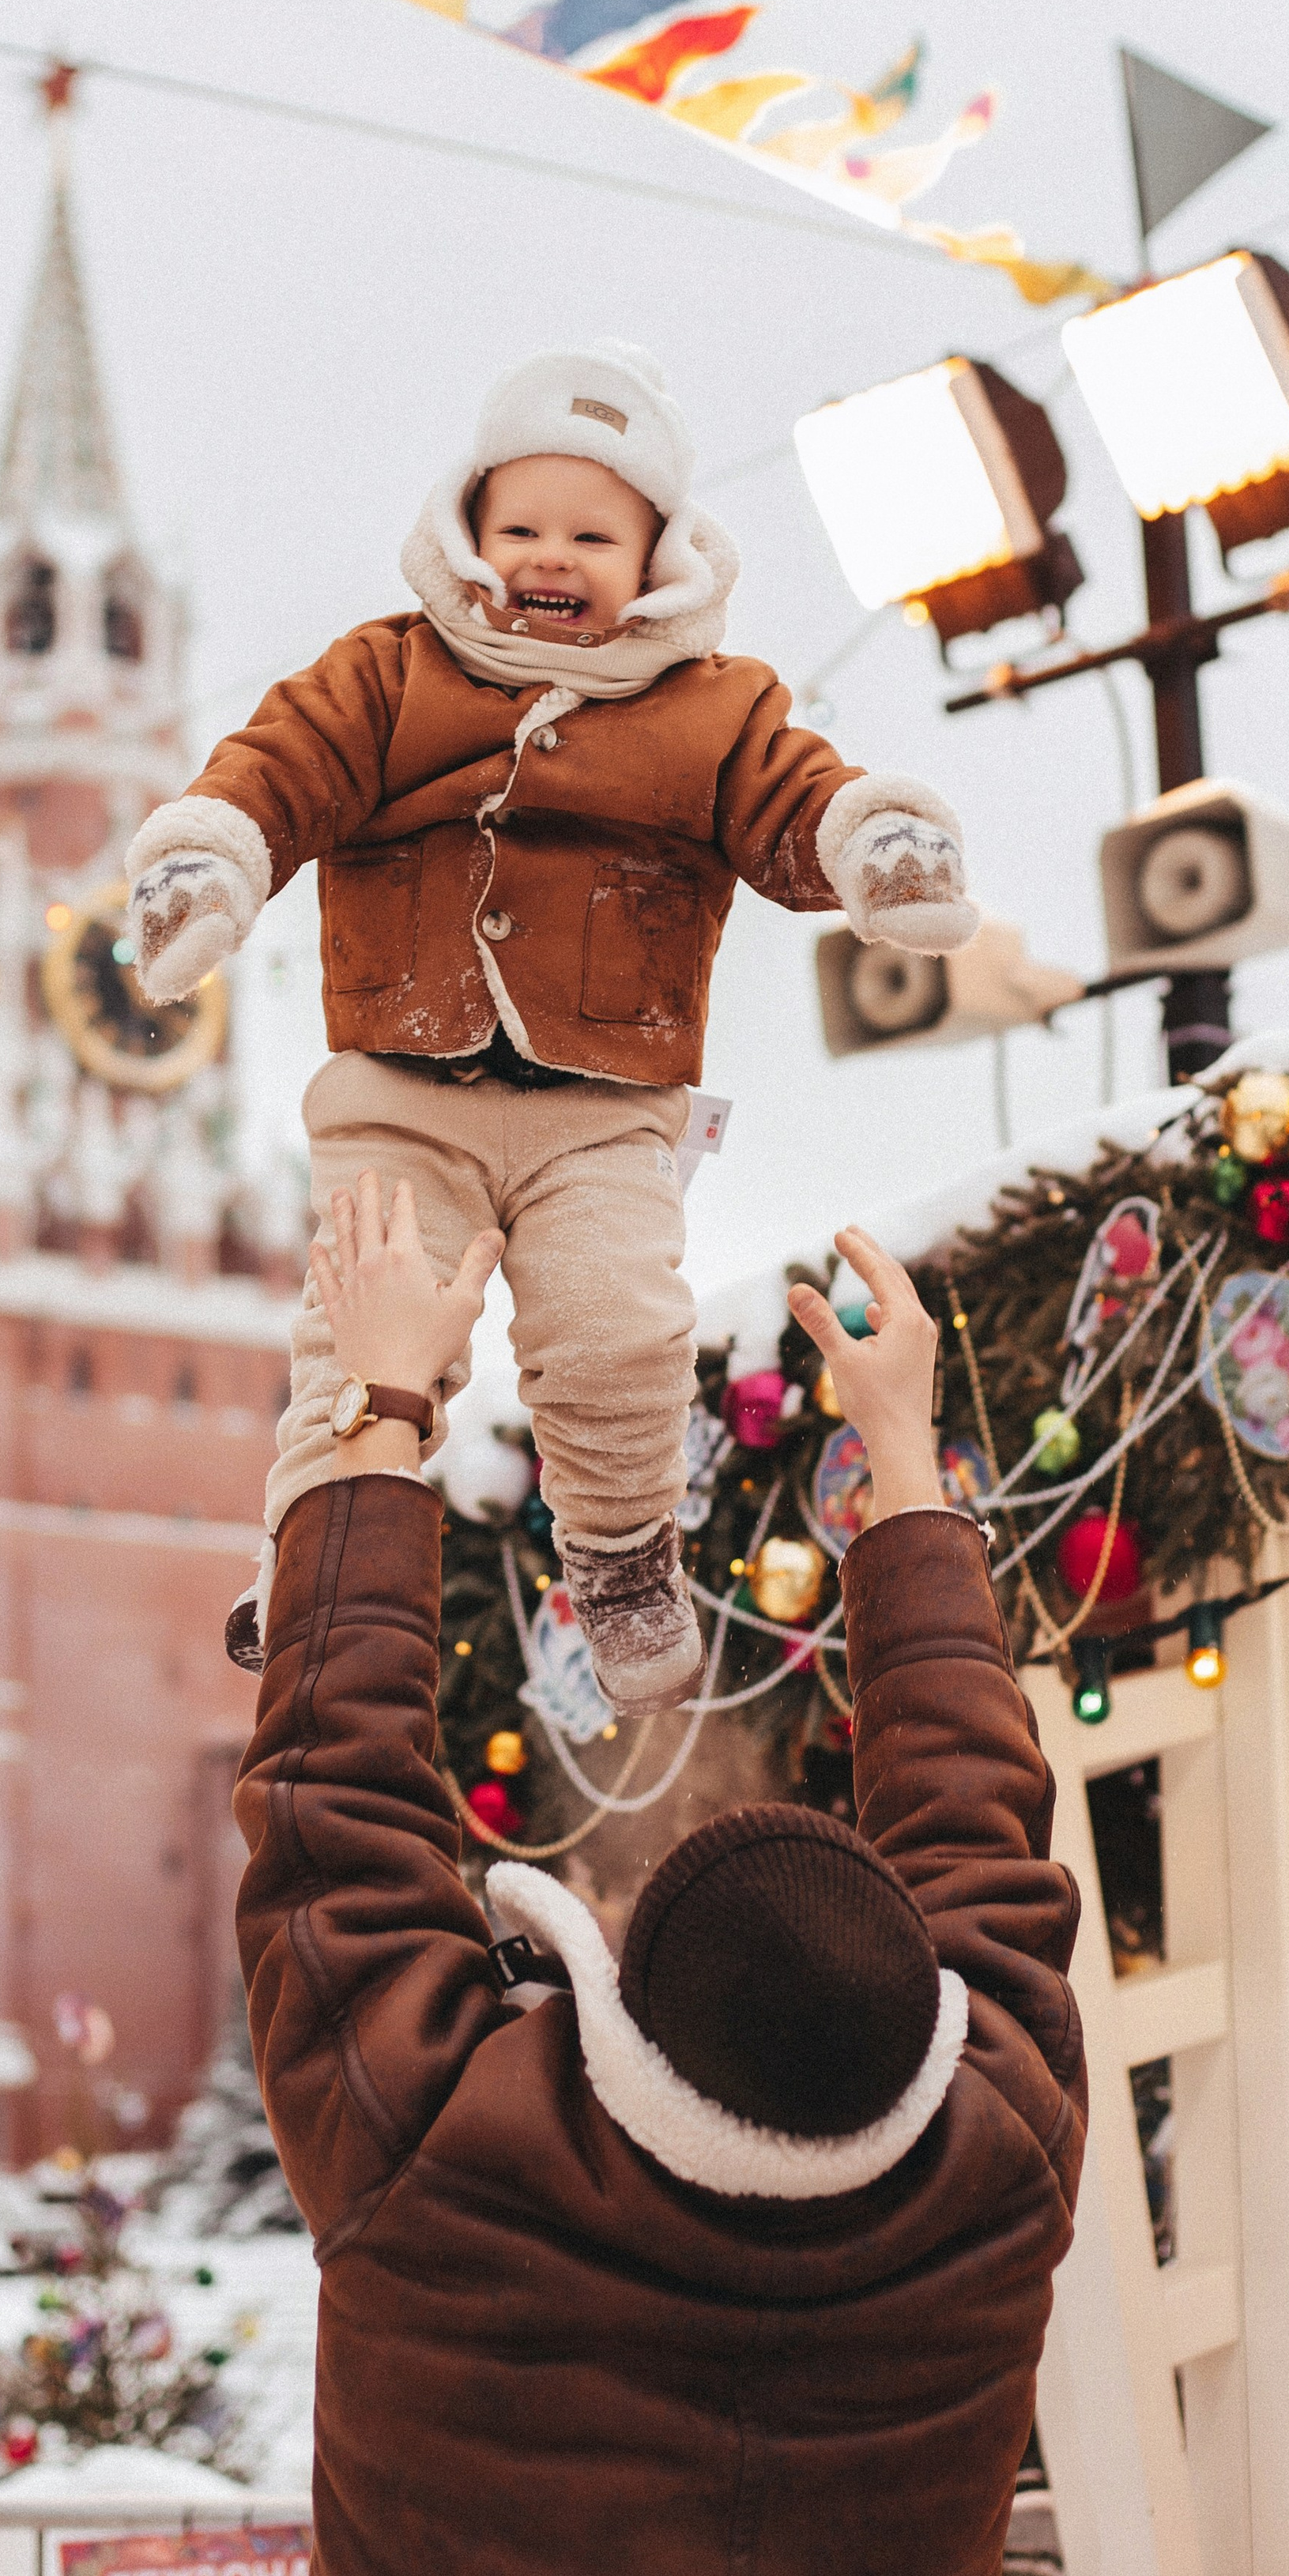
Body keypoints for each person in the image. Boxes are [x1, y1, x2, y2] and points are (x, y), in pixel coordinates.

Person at [236, 1169, 1085, 2576]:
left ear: (615, 2011)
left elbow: (330, 1787)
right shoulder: (994, 2165)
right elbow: (330, 1804)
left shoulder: (448, 2148)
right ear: (914, 2022)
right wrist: (898, 1453)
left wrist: (388, 1389)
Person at [122, 340, 978, 1709]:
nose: (552, 556)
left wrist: (876, 845)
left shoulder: (715, 707)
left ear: (656, 556)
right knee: (361, 1328)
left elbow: (797, 800)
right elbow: (278, 769)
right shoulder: (391, 675)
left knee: (614, 1324)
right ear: (470, 535)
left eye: (593, 534)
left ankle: (627, 1558)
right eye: (522, 526)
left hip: (604, 1107)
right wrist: (210, 859)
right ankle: (314, 1549)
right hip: (403, 1089)